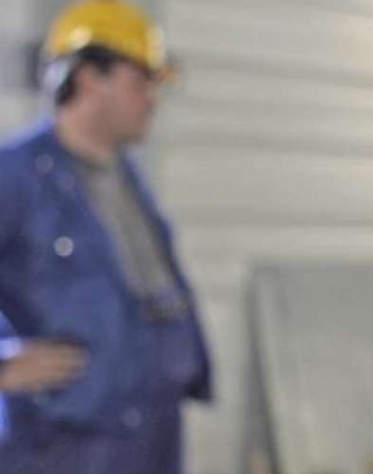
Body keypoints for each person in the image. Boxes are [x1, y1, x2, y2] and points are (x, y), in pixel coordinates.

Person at [0, 1, 212, 473]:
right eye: (142, 82)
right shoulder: (16, 177)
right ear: (89, 78)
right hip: (66, 445)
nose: (152, 99)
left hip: (151, 430)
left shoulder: (126, 176)